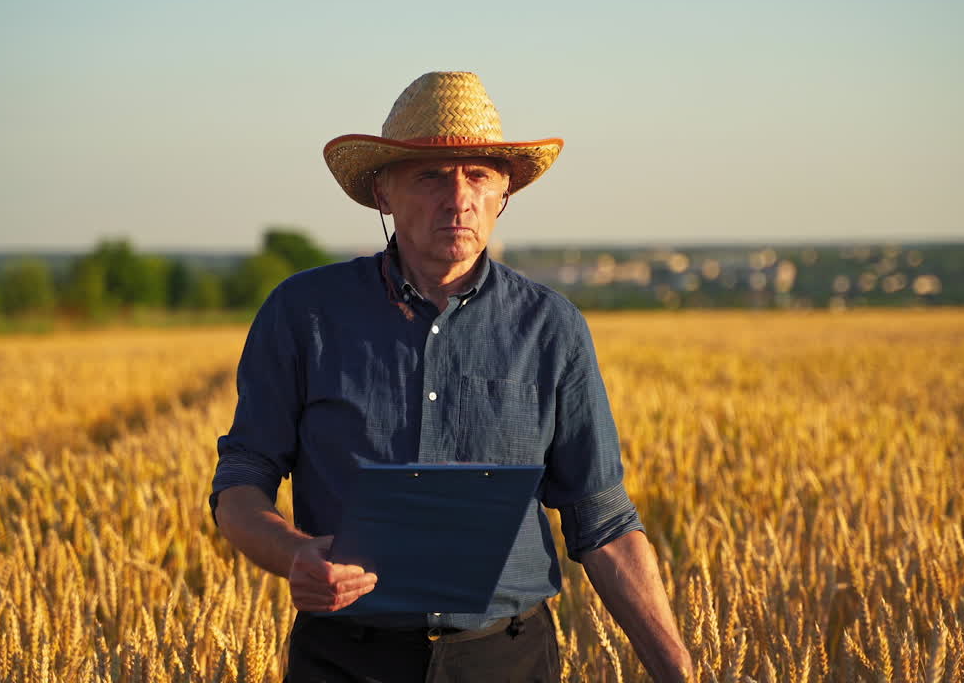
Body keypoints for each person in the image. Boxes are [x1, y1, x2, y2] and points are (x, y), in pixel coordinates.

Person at [211, 71, 694, 682]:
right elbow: (239, 486)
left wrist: (679, 670)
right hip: (346, 658)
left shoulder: (552, 328)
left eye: (479, 175)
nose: (459, 197)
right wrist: (293, 555)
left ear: (504, 193)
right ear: (383, 193)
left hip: (507, 657)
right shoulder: (303, 314)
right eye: (431, 176)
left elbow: (603, 520)